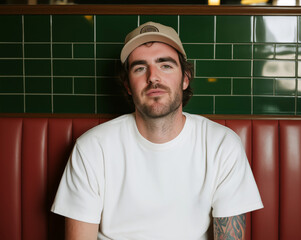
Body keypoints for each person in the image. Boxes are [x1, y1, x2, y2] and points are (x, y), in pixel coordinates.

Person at [51, 21, 263, 240]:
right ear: (128, 86)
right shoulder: (92, 148)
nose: (153, 76)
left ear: (185, 79)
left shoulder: (222, 145)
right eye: (140, 68)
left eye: (165, 65)